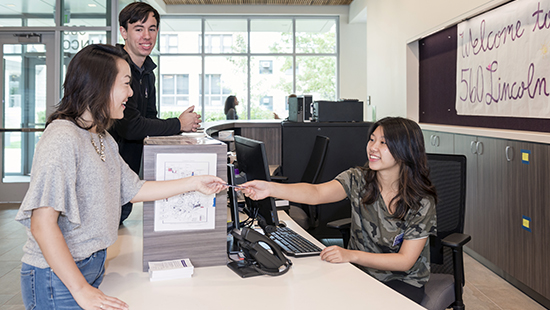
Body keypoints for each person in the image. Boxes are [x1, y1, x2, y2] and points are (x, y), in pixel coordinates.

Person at [15, 44, 227, 310]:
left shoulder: (101, 136)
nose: (131, 93)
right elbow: (42, 224)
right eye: (126, 84)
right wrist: (81, 289)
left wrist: (194, 183)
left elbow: (133, 189)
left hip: (89, 265)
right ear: (99, 86)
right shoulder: (62, 137)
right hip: (57, 276)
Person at [240, 117, 437, 304]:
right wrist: (270, 188)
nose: (373, 147)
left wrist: (351, 255)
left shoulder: (421, 202)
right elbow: (316, 193)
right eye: (371, 139)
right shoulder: (358, 179)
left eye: (383, 143)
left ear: (405, 150)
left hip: (402, 282)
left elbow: (404, 261)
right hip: (359, 272)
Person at [110, 2, 201, 225]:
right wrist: (178, 124)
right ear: (124, 32)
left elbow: (148, 120)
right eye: (138, 29)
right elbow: (130, 126)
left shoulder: (148, 73)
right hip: (108, 172)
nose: (146, 36)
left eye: (152, 29)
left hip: (130, 173)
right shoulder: (113, 68)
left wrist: (181, 127)